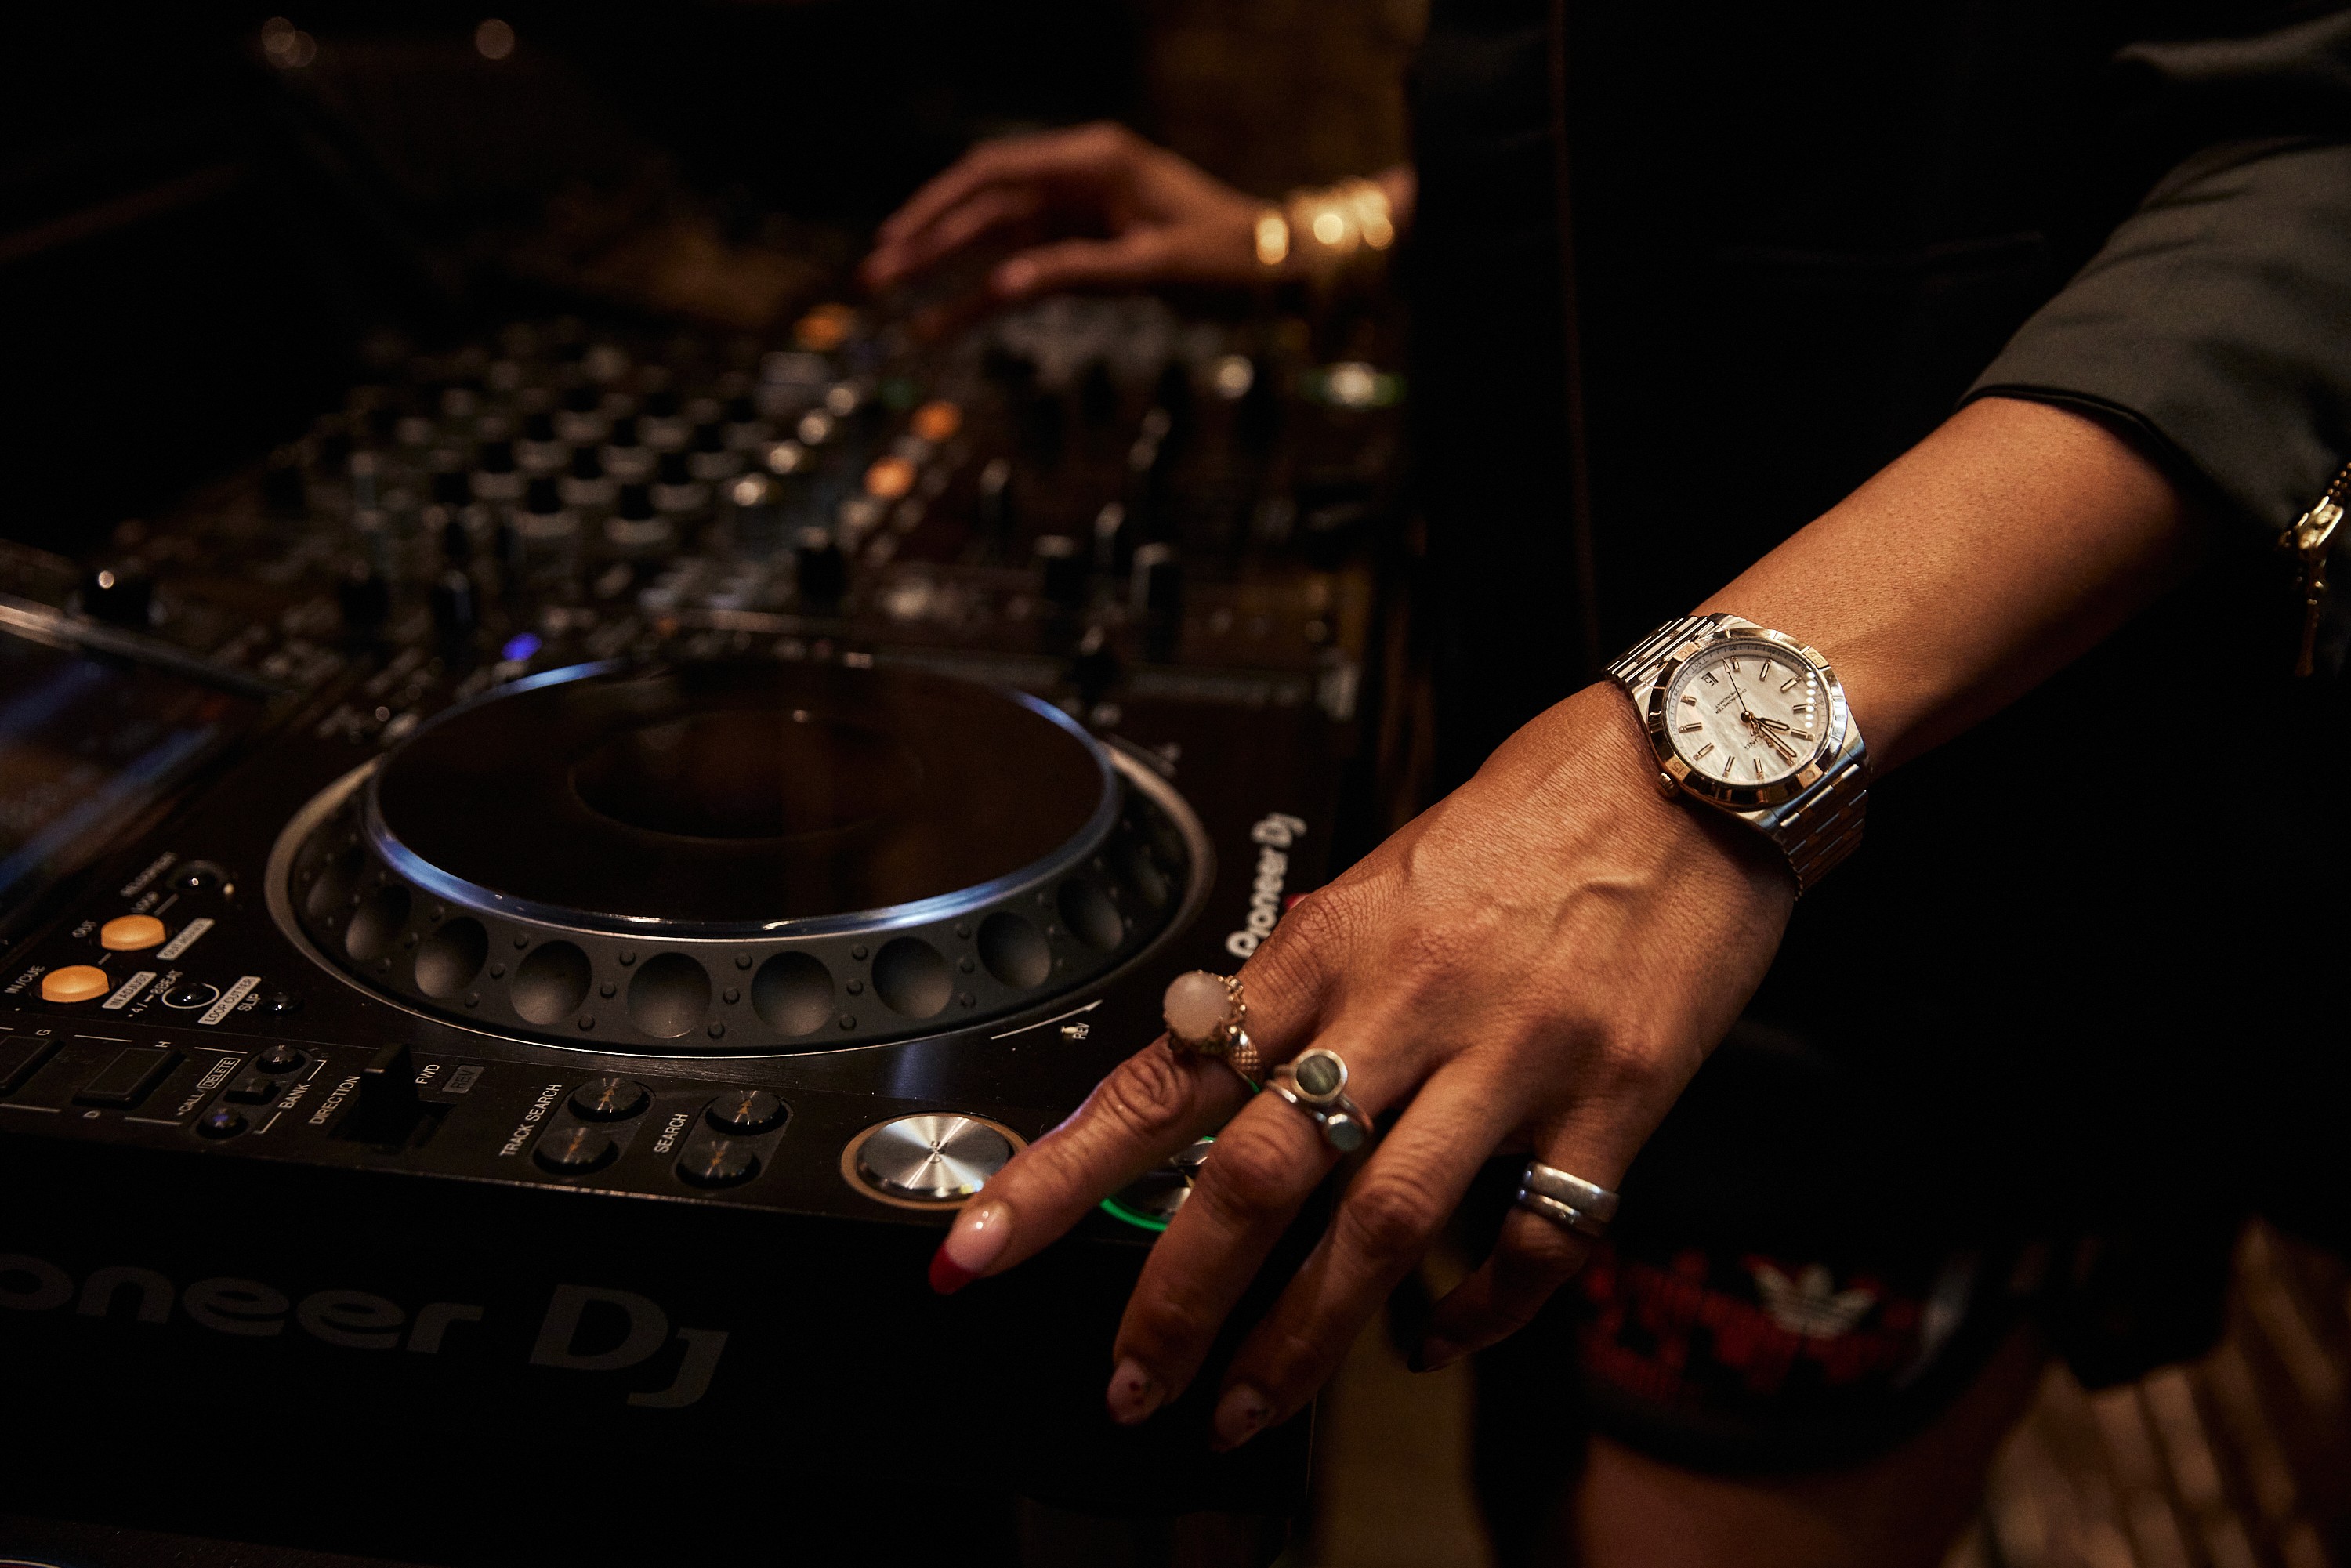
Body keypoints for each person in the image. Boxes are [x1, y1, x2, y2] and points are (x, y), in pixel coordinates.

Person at [864, 5, 2351, 1563]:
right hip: (1540, 915)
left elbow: (2307, 164)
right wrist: (1328, 235)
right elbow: (1792, 158)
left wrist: (1672, 772)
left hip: (1906, 966)